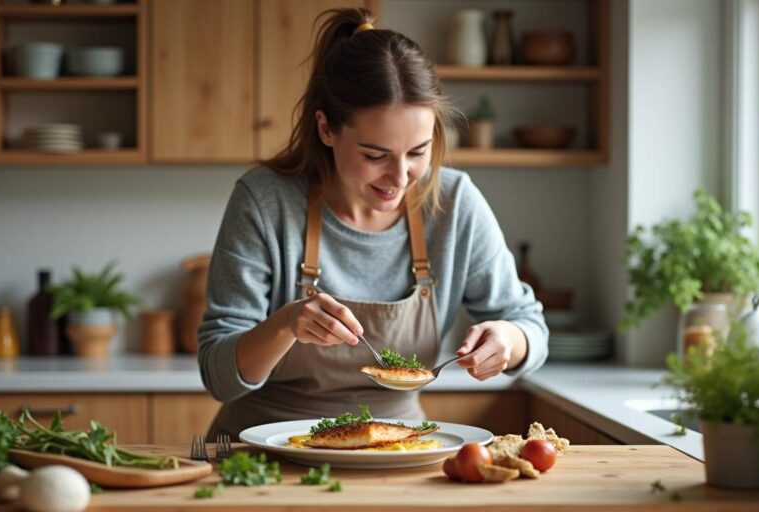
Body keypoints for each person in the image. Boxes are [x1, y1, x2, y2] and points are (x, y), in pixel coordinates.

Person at [198, 8, 548, 439]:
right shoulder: (265, 200)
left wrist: (509, 340)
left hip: (399, 449)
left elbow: (528, 323)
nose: (400, 179)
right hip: (265, 448)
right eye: (375, 156)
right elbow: (218, 373)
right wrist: (287, 324)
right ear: (326, 129)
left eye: (418, 152)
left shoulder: (454, 202)